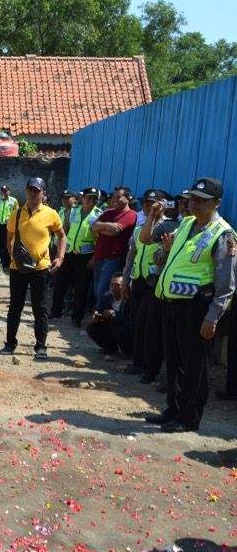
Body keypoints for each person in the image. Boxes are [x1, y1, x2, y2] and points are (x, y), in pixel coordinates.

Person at [146, 177, 236, 433]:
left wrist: (213, 317)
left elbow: (226, 282)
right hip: (173, 303)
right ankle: (173, 409)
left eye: (201, 201)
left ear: (217, 203)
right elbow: (168, 255)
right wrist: (164, 253)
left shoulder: (224, 235)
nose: (194, 204)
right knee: (174, 362)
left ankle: (189, 417)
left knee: (193, 365)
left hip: (196, 308)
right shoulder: (186, 224)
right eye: (192, 199)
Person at [2, 177, 65, 359]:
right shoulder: (17, 214)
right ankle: (10, 343)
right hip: (18, 269)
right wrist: (15, 257)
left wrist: (60, 257)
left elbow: (62, 236)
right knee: (15, 306)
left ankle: (41, 347)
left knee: (40, 308)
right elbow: (9, 238)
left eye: (37, 190)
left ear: (43, 193)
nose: (33, 193)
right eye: (30, 190)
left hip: (40, 268)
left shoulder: (51, 214)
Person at [122, 189, 171, 375]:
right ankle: (138, 361)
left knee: (151, 326)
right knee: (138, 323)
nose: (149, 207)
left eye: (153, 203)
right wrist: (126, 281)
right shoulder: (138, 229)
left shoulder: (169, 227)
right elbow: (130, 258)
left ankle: (150, 367)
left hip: (156, 282)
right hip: (139, 280)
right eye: (146, 204)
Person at [51, 187, 100, 326]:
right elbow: (64, 231)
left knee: (81, 288)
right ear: (82, 198)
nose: (91, 200)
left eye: (94, 198)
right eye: (88, 197)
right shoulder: (73, 211)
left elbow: (99, 239)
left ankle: (76, 317)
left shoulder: (98, 215)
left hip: (85, 256)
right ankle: (55, 311)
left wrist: (94, 257)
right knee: (60, 282)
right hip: (68, 252)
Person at [91, 186, 138, 300]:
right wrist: (109, 225)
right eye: (113, 197)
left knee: (103, 291)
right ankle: (100, 313)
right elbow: (93, 227)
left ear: (128, 198)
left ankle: (103, 313)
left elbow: (113, 233)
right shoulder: (108, 212)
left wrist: (100, 228)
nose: (114, 199)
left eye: (118, 197)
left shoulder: (131, 215)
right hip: (99, 257)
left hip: (113, 259)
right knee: (97, 290)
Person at [86, 272, 132, 356]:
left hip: (124, 330)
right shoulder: (107, 297)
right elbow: (98, 311)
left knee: (119, 331)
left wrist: (115, 315)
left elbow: (131, 323)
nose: (113, 288)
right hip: (110, 326)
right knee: (92, 327)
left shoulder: (129, 301)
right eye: (111, 285)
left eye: (117, 285)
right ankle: (110, 348)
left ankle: (127, 352)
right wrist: (97, 317)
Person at [0, 184, 18, 269]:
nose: (4, 192)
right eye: (3, 191)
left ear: (9, 191)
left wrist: (14, 226)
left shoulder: (13, 201)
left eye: (6, 191)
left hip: (7, 226)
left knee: (6, 244)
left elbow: (16, 214)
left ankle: (5, 263)